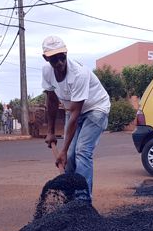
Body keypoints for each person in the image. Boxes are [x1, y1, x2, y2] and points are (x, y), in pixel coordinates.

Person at [41, 35, 110, 202]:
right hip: (72, 110)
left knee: (81, 152)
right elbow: (51, 101)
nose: (59, 62)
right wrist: (50, 132)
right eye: (53, 59)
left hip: (96, 108)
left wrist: (63, 151)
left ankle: (83, 201)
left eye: (61, 57)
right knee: (70, 157)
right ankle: (71, 198)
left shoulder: (79, 74)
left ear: (66, 53)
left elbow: (75, 114)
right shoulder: (47, 71)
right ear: (46, 58)